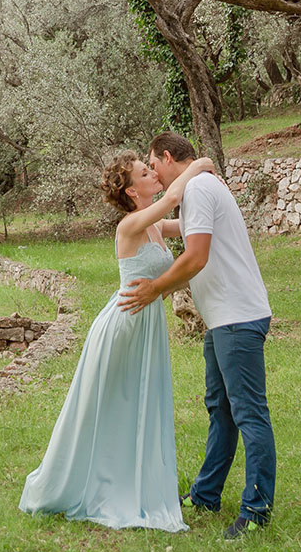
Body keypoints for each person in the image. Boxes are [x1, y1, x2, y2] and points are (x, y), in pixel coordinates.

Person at [18, 150, 217, 532]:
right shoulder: (130, 224)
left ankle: (129, 479)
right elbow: (174, 198)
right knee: (107, 406)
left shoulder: (156, 226)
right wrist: (199, 165)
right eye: (146, 173)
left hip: (145, 325)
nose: (153, 174)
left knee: (135, 405)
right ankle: (84, 483)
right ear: (130, 192)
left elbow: (190, 223)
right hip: (125, 325)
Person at [118, 130, 274, 541]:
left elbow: (196, 256)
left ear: (167, 158)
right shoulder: (196, 190)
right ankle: (206, 495)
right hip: (221, 319)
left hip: (237, 318)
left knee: (248, 413)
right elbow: (168, 224)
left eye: (153, 165)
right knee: (220, 410)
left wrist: (156, 288)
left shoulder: (201, 189)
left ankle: (256, 511)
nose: (152, 172)